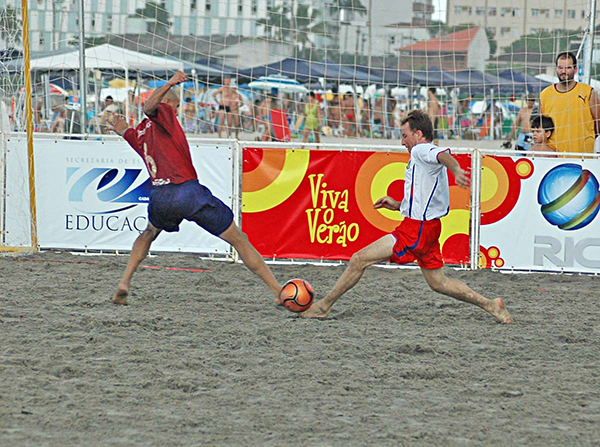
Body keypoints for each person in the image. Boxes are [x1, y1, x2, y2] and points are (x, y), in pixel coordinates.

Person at [300, 109, 513, 324]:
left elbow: (443, 156)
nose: (403, 142)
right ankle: (491, 305)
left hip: (416, 229)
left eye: (404, 136)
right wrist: (398, 205)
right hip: (428, 227)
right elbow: (425, 196)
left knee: (359, 259)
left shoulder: (421, 150)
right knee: (438, 283)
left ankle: (323, 306)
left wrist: (456, 170)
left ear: (418, 134)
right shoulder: (422, 156)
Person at [108, 71, 282, 305]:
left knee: (149, 232)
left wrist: (121, 129)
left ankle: (125, 281)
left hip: (159, 196)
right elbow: (149, 108)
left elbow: (128, 130)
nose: (178, 111)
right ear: (167, 102)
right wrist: (169, 83)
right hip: (187, 191)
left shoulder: (139, 133)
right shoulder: (164, 113)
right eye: (177, 106)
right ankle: (278, 290)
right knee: (239, 239)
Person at [540, 51, 600, 154]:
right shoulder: (545, 94)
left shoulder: (588, 92)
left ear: (575, 69)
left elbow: (598, 124)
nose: (563, 71)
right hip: (555, 156)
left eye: (568, 68)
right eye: (560, 68)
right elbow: (541, 127)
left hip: (582, 156)